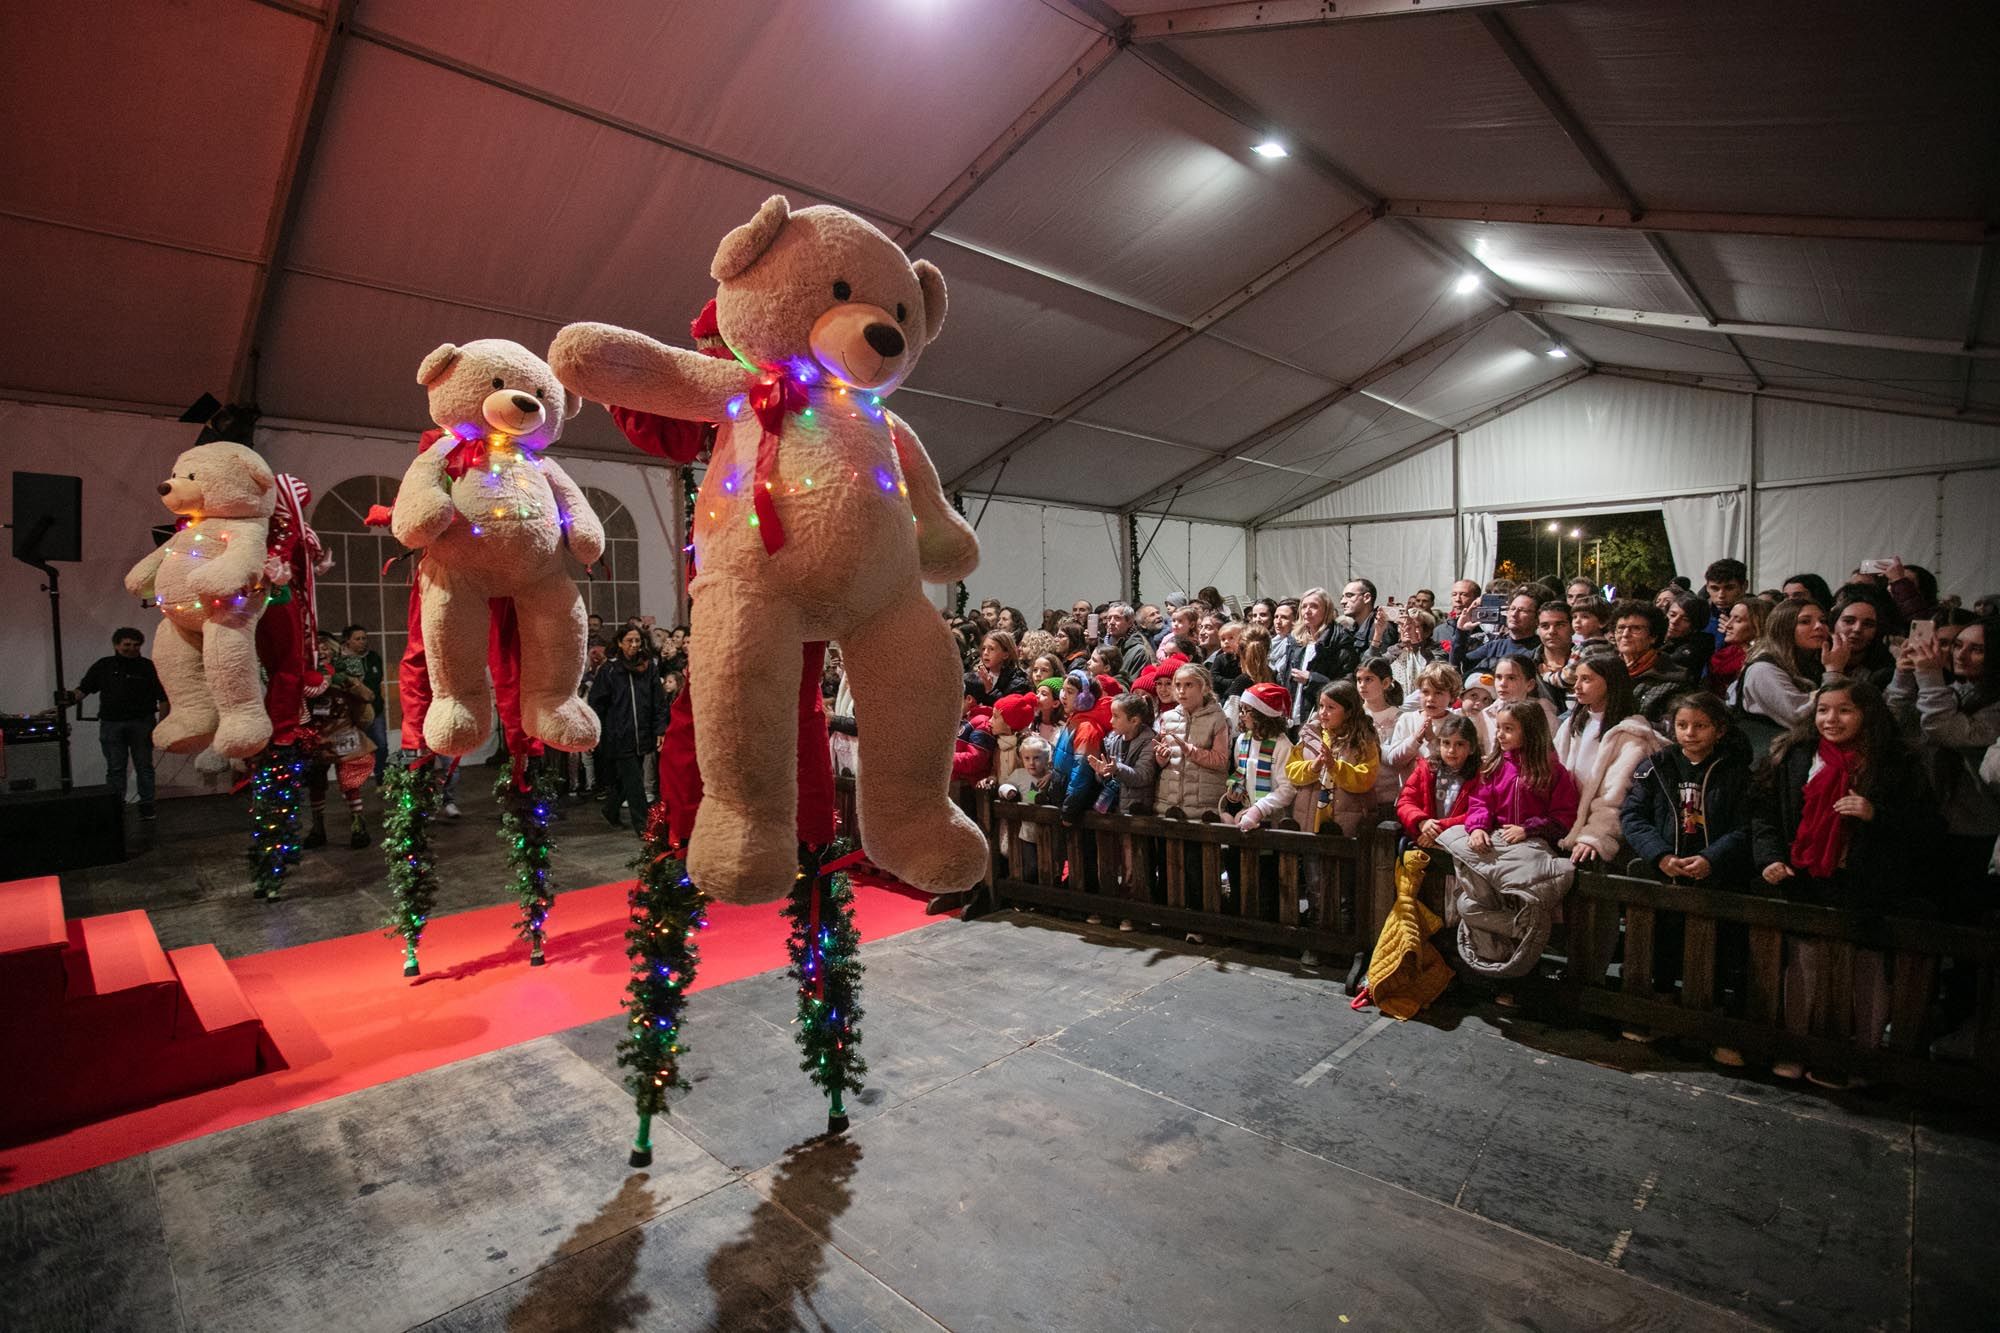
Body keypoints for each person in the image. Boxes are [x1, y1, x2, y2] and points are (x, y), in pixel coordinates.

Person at [1751, 679, 1942, 1086]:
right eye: (1823, 710)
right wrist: (1771, 857)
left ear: (1868, 714)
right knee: (1804, 964)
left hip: (1866, 879)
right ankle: (1797, 1048)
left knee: (1866, 967)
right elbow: (1766, 813)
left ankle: (1860, 1060)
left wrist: (1876, 813)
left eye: (1844, 711)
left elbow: (1926, 830)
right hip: (1807, 875)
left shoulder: (1894, 763)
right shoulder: (1797, 755)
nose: (1830, 719)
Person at [1620, 691, 1757, 1063]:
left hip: (1718, 876)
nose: (1690, 733)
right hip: (1666, 871)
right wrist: (1660, 854)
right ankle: (1659, 1017)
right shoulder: (1657, 766)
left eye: (1700, 726)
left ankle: (1717, 1029)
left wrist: (1713, 858)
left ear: (1719, 729)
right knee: (1661, 947)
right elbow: (1632, 816)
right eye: (1682, 725)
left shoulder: (1736, 772)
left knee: (1721, 953)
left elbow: (1747, 826)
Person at [1434, 700, 1581, 987]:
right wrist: (1477, 828)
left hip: (1529, 846)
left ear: (1530, 731)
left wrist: (1528, 829)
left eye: (1508, 729)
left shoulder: (1552, 770)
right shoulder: (1495, 765)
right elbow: (1480, 803)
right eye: (1499, 728)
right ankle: (1512, 942)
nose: (1500, 735)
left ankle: (1518, 973)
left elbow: (1562, 816)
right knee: (1471, 904)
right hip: (1496, 842)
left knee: (1519, 897)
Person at [1886, 616, 1997, 897]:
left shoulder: (1994, 707)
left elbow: (1946, 731)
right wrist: (1903, 675)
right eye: (1958, 645)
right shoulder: (1951, 691)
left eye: (1977, 649)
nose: (1960, 654)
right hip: (1930, 820)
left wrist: (1929, 676)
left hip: (1976, 830)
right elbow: (1896, 727)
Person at [1552, 651, 1667, 871]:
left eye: (1586, 679)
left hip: (1594, 830)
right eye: (1576, 679)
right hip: (1564, 821)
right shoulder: (1571, 725)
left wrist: (1595, 835)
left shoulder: (1631, 736)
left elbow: (1615, 797)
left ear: (1611, 683)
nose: (1577, 686)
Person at [69, 627, 168, 819]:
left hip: (142, 723)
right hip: (112, 724)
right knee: (115, 768)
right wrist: (64, 702)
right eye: (127, 645)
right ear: (116, 645)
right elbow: (83, 690)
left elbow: (163, 698)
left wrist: (162, 725)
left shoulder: (148, 667)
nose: (132, 649)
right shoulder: (103, 666)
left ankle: (147, 806)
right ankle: (115, 807)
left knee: (144, 766)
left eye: (136, 645)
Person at [1087, 691, 1160, 930]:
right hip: (1113, 807)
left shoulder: (1150, 741)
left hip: (1135, 809)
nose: (1111, 721)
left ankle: (1133, 911)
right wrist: (1102, 772)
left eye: (1116, 716)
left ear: (1135, 720)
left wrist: (1116, 768)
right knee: (1111, 861)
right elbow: (1108, 776)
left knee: (1133, 864)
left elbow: (1143, 776)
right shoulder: (1113, 739)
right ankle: (1111, 907)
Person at [588, 626, 668, 831]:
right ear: (620, 643)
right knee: (634, 780)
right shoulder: (610, 670)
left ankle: (611, 808)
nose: (634, 645)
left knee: (628, 779)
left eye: (637, 641)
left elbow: (658, 701)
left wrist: (660, 728)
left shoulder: (648, 667)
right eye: (629, 641)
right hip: (620, 734)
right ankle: (643, 825)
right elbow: (597, 703)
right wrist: (601, 731)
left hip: (643, 732)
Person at [302, 634, 376, 850]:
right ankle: (318, 828)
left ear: (334, 651)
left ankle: (358, 826)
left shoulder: (346, 675)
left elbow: (367, 697)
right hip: (316, 738)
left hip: (344, 735)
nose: (322, 652)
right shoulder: (306, 677)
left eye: (326, 648)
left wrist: (346, 682)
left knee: (351, 784)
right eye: (317, 649)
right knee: (316, 785)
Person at [1282, 679, 1377, 836]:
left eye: (1331, 707)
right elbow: (1291, 771)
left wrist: (1335, 766)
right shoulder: (1310, 735)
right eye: (1321, 706)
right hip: (1308, 820)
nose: (1323, 712)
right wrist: (1314, 766)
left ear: (1348, 712)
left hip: (1345, 824)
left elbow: (1366, 777)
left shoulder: (1362, 739)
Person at [1735, 599, 1828, 747]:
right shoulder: (1763, 669)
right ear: (1784, 627)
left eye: (1823, 621)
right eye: (1805, 622)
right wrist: (1834, 672)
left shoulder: (1812, 661)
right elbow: (1799, 717)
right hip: (1768, 756)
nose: (1819, 626)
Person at [1397, 712, 1484, 849]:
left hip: (1460, 843)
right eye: (1446, 743)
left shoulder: (1479, 776)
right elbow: (1406, 801)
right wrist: (1422, 822)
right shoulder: (1426, 769)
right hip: (1422, 839)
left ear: (1471, 748)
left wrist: (1438, 830)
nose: (1451, 750)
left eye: (1459, 744)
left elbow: (1476, 812)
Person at [1153, 664, 1230, 816]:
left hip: (1205, 807)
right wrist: (1161, 757)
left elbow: (1221, 760)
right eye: (1178, 685)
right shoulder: (1168, 718)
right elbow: (1164, 763)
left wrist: (1190, 751)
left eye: (1189, 685)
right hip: (1168, 804)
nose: (1181, 691)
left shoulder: (1218, 718)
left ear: (1204, 688)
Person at [1609, 599, 1690, 733]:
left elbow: (1671, 728)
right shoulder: (1604, 670)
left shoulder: (1674, 680)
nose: (1625, 635)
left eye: (1636, 628)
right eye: (1621, 628)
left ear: (1653, 637)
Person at [1231, 682, 1299, 831]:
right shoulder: (1243, 740)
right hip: (1247, 816)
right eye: (1240, 709)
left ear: (1262, 714)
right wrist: (1236, 788)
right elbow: (1241, 773)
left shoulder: (1282, 746)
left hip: (1275, 824)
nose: (1241, 715)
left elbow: (1288, 789)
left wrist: (1259, 809)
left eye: (1246, 710)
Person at [335, 625, 390, 785]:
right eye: (357, 639)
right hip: (350, 712)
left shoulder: (373, 657)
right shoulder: (341, 660)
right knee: (351, 749)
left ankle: (382, 780)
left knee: (381, 745)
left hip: (374, 708)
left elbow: (375, 679)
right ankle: (352, 785)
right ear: (347, 641)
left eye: (364, 638)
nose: (362, 642)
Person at [1385, 663, 1462, 772]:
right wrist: (1415, 739)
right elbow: (1393, 762)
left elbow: (1457, 764)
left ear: (1452, 696)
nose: (1431, 698)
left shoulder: (1457, 722)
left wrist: (1432, 740)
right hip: (1411, 787)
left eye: (1438, 693)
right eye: (1425, 692)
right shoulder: (1407, 719)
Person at [1355, 656, 1406, 813]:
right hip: (1357, 791)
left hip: (1390, 794)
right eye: (1359, 680)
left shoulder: (1400, 717)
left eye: (1369, 679)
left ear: (1385, 683)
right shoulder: (1353, 715)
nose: (1362, 685)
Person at [1453, 590, 1540, 675]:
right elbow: (1458, 665)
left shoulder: (1540, 650)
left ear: (1537, 618)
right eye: (1512, 608)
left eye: (1522, 610)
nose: (1514, 614)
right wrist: (1461, 632)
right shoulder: (1494, 646)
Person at [1823, 587, 1895, 689]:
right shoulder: (1814, 660)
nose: (1857, 629)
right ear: (1832, 625)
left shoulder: (1885, 672)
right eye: (1848, 621)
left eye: (1868, 624)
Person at [1704, 597, 1767, 699]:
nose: (1728, 624)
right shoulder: (1724, 655)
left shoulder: (1764, 663)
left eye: (1737, 620)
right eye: (1730, 618)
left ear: (1757, 625)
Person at [1661, 590, 1715, 682]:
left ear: (1696, 625)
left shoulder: (1698, 646)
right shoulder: (1655, 637)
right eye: (1672, 615)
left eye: (1685, 619)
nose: (1674, 621)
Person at [967, 630, 1029, 707]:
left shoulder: (1019, 682)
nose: (985, 653)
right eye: (983, 648)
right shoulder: (977, 674)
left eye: (991, 649)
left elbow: (1007, 710)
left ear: (1005, 654)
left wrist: (990, 690)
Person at [1533, 600, 1573, 715]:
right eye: (1545, 626)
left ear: (1573, 627)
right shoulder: (1526, 664)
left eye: (1560, 625)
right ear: (1538, 629)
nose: (1552, 631)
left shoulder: (1586, 661)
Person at [1701, 559, 1749, 647]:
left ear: (1744, 586)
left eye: (1729, 588)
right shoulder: (1698, 615)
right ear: (1707, 588)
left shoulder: (1759, 616)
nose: (1721, 595)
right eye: (1715, 588)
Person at [1103, 603, 1152, 682]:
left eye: (1117, 618)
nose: (1111, 622)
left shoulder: (1138, 651)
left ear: (1130, 622)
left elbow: (1134, 684)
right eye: (1109, 618)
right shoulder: (1101, 646)